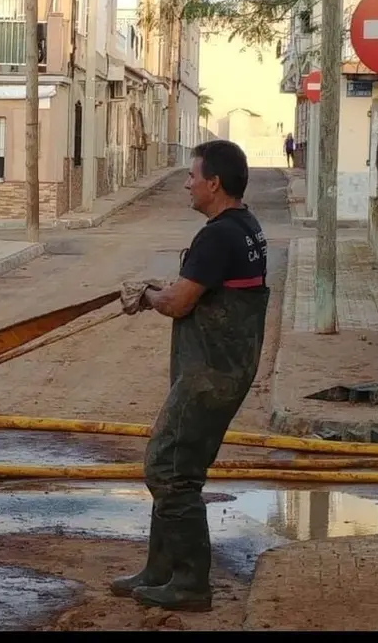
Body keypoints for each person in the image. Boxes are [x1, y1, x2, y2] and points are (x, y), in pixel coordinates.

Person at [113, 140, 269, 612]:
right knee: (179, 469)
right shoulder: (246, 228)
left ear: (214, 183)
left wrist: (148, 297)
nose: (186, 183)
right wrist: (166, 289)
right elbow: (196, 290)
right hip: (226, 370)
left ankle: (189, 583)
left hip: (209, 375)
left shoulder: (217, 235)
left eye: (192, 176)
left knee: (168, 469)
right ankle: (159, 570)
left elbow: (181, 302)